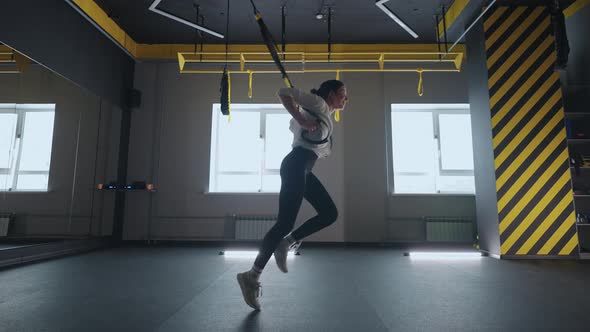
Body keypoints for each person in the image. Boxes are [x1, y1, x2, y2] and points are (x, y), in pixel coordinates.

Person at [237, 80, 349, 310]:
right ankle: (252, 276)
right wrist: (301, 119)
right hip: (296, 165)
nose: (346, 99)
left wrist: (302, 118)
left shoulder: (322, 112)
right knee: (284, 222)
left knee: (329, 213)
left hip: (303, 169)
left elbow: (311, 132)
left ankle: (286, 243)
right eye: (342, 94)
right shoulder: (318, 102)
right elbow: (283, 92)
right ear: (330, 93)